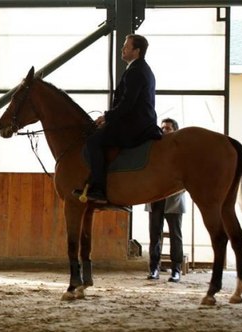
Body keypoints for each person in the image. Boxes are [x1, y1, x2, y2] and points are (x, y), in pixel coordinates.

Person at [76, 34, 163, 204]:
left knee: (94, 141)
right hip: (140, 121)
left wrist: (106, 117)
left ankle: (99, 189)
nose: (122, 49)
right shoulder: (140, 68)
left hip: (135, 125)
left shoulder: (136, 71)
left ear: (136, 51)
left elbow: (127, 104)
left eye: (126, 46)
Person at [146, 118, 186, 282]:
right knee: (154, 235)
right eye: (162, 128)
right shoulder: (154, 148)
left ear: (175, 130)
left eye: (168, 128)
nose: (164, 131)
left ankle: (176, 270)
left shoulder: (182, 151)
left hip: (173, 199)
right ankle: (154, 268)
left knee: (176, 235)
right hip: (155, 197)